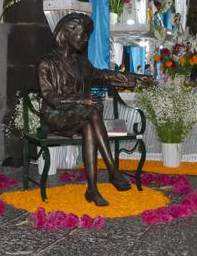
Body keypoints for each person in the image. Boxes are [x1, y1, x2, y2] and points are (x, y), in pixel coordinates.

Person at [37, 13, 151, 206]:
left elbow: (104, 75)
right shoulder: (47, 63)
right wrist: (82, 100)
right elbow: (51, 98)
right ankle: (113, 171)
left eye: (87, 36)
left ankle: (92, 189)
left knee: (90, 123)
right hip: (56, 116)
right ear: (66, 33)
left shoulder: (82, 63)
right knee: (91, 112)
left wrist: (138, 79)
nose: (85, 39)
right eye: (82, 35)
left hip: (81, 116)